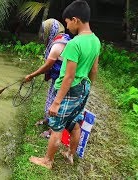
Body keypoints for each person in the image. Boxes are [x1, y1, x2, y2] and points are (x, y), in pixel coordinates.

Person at [29, 0, 101, 169]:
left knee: (57, 126)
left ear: (75, 19)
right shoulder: (95, 40)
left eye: (67, 22)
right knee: (74, 122)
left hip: (70, 89)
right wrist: (87, 88)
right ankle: (70, 153)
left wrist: (56, 102)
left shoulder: (74, 44)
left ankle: (47, 161)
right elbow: (94, 69)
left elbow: (68, 77)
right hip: (84, 87)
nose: (67, 27)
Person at [24, 18, 71, 138]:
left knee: (56, 103)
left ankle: (51, 131)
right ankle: (47, 120)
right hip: (57, 78)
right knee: (51, 98)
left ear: (52, 30)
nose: (44, 33)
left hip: (62, 80)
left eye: (46, 30)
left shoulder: (59, 44)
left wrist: (32, 75)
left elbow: (48, 65)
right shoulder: (61, 39)